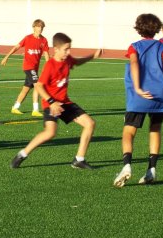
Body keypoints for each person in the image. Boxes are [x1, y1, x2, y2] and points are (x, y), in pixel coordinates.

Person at [10, 33, 102, 170]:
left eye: (70, 48)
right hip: (51, 104)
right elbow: (39, 86)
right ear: (56, 49)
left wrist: (92, 56)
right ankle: (22, 154)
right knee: (50, 133)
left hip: (65, 103)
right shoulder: (50, 65)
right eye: (66, 49)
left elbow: (77, 61)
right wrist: (52, 102)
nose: (69, 52)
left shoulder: (67, 60)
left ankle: (79, 160)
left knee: (90, 123)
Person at [113, 13, 163, 188]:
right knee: (155, 129)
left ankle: (127, 166)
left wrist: (138, 88)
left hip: (139, 97)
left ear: (138, 28)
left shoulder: (134, 47)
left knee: (128, 131)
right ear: (157, 29)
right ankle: (152, 169)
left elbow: (134, 64)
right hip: (159, 95)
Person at [1, 19, 50, 117]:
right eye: (38, 27)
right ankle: (35, 110)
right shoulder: (28, 38)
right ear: (34, 27)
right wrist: (6, 56)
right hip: (28, 67)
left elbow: (46, 54)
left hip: (35, 69)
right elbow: (16, 47)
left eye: (42, 27)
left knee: (26, 89)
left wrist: (49, 67)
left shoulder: (44, 40)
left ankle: (15, 107)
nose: (40, 29)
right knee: (38, 85)